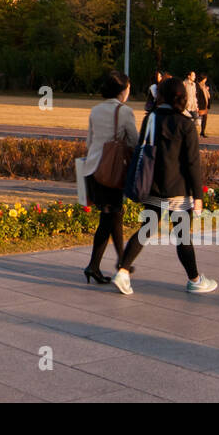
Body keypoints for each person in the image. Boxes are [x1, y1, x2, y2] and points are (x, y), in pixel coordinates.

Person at [113, 77, 218, 295]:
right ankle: (195, 279)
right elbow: (192, 164)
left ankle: (122, 271)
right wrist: (198, 196)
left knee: (146, 229)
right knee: (182, 236)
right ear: (183, 96)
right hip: (178, 190)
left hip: (151, 185)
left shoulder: (151, 118)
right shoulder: (186, 124)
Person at [77, 70, 138, 284]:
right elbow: (134, 142)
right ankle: (122, 263)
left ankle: (97, 266)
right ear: (122, 90)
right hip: (112, 171)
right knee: (114, 216)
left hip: (94, 170)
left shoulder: (95, 110)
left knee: (109, 217)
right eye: (128, 87)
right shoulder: (124, 112)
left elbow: (89, 142)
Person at [197, 73, 212, 138]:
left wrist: (207, 89)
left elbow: (207, 96)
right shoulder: (198, 86)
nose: (205, 80)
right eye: (205, 79)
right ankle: (193, 132)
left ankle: (202, 132)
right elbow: (197, 96)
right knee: (196, 119)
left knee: (204, 119)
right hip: (200, 105)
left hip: (205, 105)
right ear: (202, 79)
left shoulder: (204, 86)